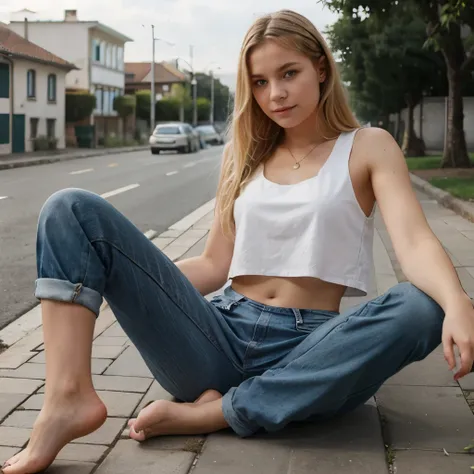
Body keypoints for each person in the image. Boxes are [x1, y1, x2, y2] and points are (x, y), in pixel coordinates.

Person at [3, 9, 474, 474]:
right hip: (217, 336)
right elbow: (213, 265)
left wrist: (457, 302)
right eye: (261, 82)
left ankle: (210, 414)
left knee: (421, 307)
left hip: (310, 350)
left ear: (322, 68)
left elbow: (413, 243)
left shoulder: (368, 146)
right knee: (70, 208)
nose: (277, 94)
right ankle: (67, 399)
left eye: (289, 73)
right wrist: (133, 284)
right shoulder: (243, 153)